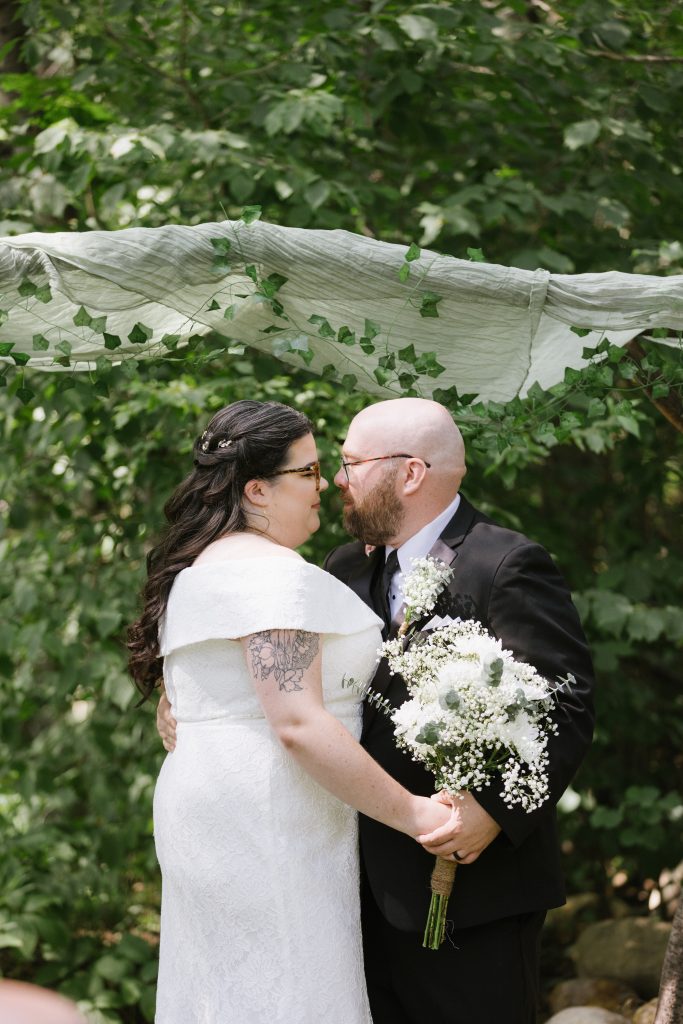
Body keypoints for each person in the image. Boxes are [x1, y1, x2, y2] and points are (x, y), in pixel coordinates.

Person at [158, 397, 595, 1024]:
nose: (336, 479)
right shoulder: (338, 566)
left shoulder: (503, 564)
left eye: (350, 463)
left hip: (470, 886)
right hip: (351, 880)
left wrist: (492, 812)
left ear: (409, 472)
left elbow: (566, 703)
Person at [130, 399, 451, 1024]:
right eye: (305, 472)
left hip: (212, 806)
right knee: (289, 991)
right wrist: (415, 814)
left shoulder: (201, 568)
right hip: (271, 816)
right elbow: (298, 723)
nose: (325, 484)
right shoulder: (272, 575)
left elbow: (210, 691)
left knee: (227, 991)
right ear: (256, 489)